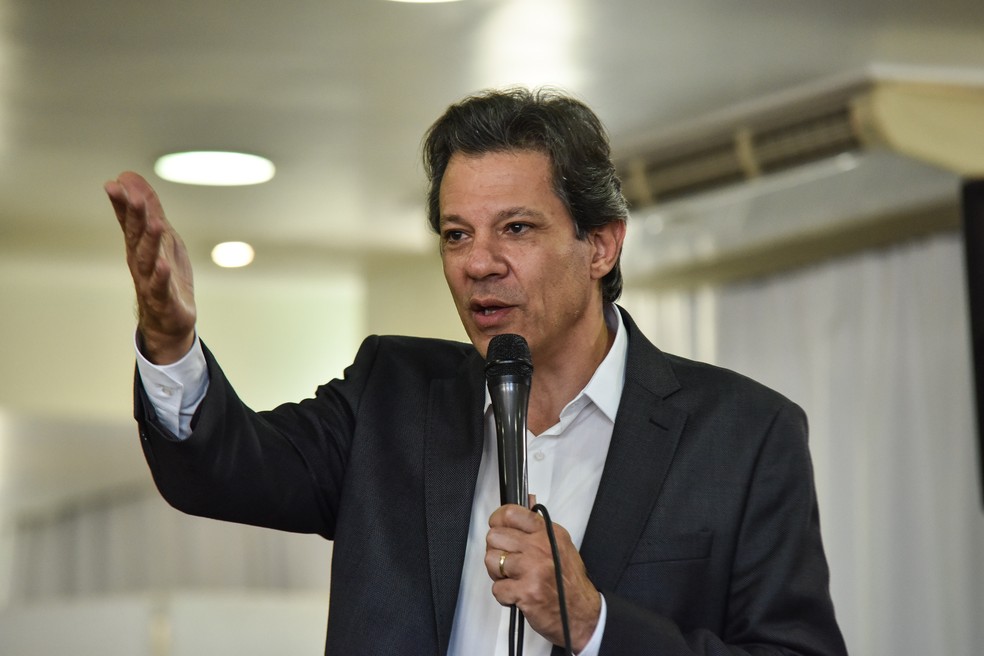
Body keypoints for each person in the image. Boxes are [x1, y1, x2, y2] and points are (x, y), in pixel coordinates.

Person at [105, 88, 847, 655]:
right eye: (457, 234)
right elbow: (224, 470)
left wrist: (594, 624)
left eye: (516, 229)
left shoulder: (743, 436)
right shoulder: (391, 397)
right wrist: (171, 343)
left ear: (601, 246)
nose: (478, 263)